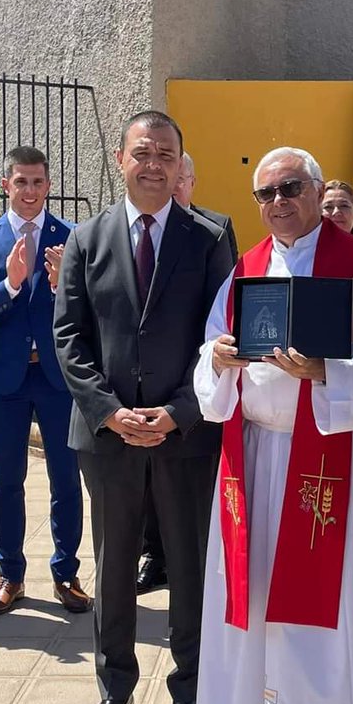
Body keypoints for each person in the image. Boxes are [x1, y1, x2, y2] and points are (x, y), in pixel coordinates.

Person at [193, 147, 353, 704]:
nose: (278, 202)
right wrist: (218, 360)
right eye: (265, 193)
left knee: (330, 604)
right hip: (255, 453)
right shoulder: (245, 270)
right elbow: (211, 352)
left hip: (327, 452)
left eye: (290, 188)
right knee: (253, 597)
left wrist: (327, 372)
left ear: (318, 189)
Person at [54, 110, 233, 704]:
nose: (153, 163)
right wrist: (107, 410)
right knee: (114, 566)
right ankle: (115, 690)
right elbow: (69, 337)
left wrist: (180, 411)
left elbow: (221, 338)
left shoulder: (211, 237)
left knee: (188, 567)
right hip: (107, 438)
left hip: (184, 438)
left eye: (166, 154)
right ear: (120, 158)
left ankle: (191, 695)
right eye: (142, 151)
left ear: (180, 164)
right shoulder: (86, 238)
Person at [0, 146, 90, 616]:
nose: (30, 191)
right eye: (21, 182)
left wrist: (61, 286)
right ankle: (9, 575)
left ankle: (66, 573)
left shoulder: (71, 237)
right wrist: (10, 284)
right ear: (5, 185)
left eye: (38, 182)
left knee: (65, 479)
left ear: (48, 185)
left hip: (56, 379)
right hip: (3, 381)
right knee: (5, 482)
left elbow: (89, 311)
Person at [135, 150, 240, 597]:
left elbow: (222, 309)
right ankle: (152, 556)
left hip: (193, 391)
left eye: (181, 179)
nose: (173, 186)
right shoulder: (127, 232)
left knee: (187, 505)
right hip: (140, 392)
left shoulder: (212, 232)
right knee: (144, 496)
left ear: (190, 181)